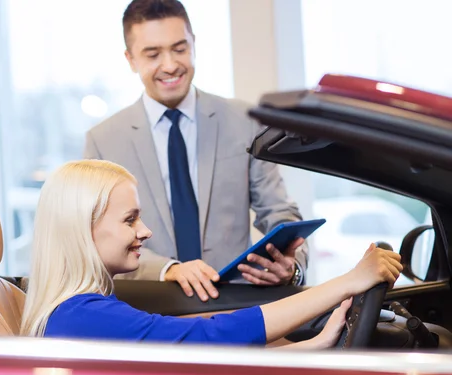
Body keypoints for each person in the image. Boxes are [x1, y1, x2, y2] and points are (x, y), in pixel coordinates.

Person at [20, 160, 402, 348]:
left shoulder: (85, 308)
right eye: (130, 220)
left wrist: (313, 346)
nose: (145, 231)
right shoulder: (85, 317)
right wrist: (349, 281)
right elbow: (211, 339)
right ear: (83, 229)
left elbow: (205, 359)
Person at [83, 0, 308, 302]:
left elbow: (278, 210)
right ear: (131, 59)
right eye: (153, 54)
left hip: (235, 306)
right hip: (149, 306)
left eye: (179, 48)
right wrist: (167, 269)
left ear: (194, 44)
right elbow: (97, 239)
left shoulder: (245, 122)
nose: (170, 65)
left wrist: (291, 267)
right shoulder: (103, 140)